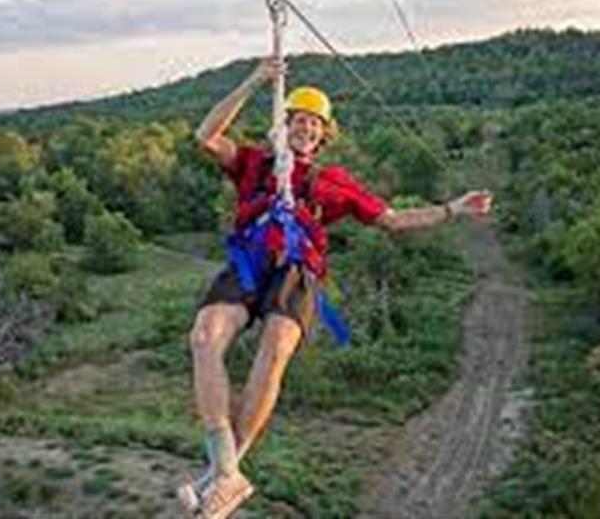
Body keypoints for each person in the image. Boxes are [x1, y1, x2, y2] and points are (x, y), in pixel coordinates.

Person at [179, 58, 492, 518]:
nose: (305, 128)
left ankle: (228, 473)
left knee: (275, 351)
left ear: (324, 134)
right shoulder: (253, 163)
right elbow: (205, 136)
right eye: (297, 120)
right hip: (249, 262)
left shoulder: (334, 182)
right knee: (204, 337)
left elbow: (392, 220)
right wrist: (254, 80)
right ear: (282, 126)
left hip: (296, 271)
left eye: (313, 123)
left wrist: (452, 209)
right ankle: (224, 467)